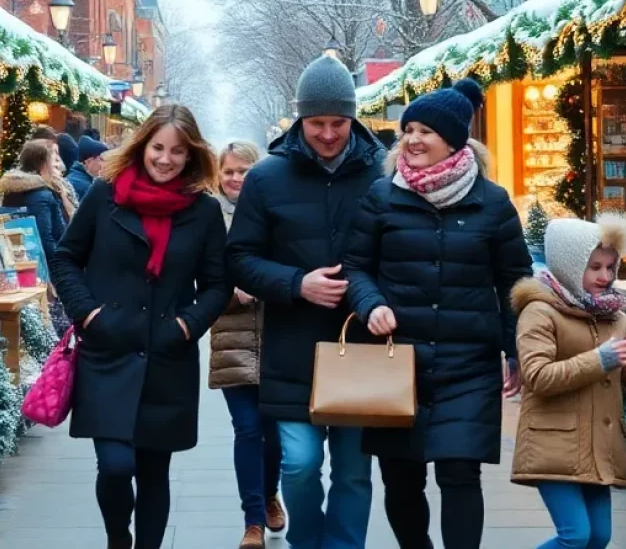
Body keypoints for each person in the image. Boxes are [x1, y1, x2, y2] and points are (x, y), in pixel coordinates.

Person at [343, 79, 533, 549]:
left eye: (425, 130)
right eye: (407, 129)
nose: (411, 139)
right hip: (395, 362)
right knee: (401, 476)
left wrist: (517, 350)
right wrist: (371, 303)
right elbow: (356, 267)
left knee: (459, 471)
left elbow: (515, 280)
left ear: (453, 139)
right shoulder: (382, 196)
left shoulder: (492, 203)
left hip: (468, 362)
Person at [53, 104, 228, 549]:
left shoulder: (204, 212)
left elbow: (216, 284)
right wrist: (89, 314)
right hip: (107, 351)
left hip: (167, 357)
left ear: (192, 156)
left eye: (178, 151)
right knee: (114, 465)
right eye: (158, 148)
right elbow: (67, 257)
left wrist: (187, 326)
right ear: (142, 145)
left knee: (154, 471)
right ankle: (118, 539)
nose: (166, 159)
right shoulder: (103, 194)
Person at [227, 55, 384, 549]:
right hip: (292, 348)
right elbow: (241, 258)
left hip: (361, 347)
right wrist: (298, 283)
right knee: (299, 463)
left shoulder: (381, 173)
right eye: (317, 123)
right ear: (300, 119)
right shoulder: (267, 177)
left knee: (355, 471)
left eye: (339, 122)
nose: (330, 133)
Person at [511, 214, 626, 549]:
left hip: (600, 447)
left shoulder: (615, 317)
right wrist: (600, 359)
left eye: (610, 267)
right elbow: (537, 376)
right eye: (595, 267)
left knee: (598, 538)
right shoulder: (540, 311)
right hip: (554, 443)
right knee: (576, 537)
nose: (605, 276)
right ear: (571, 266)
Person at [209, 140, 285, 549]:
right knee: (248, 428)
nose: (236, 178)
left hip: (279, 337)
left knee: (273, 434)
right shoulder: (207, 216)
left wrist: (267, 284)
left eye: (244, 171)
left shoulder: (275, 209)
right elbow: (197, 279)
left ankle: (270, 492)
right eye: (229, 171)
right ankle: (252, 519)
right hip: (232, 339)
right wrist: (229, 293)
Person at [0, 139, 68, 278]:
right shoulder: (42, 194)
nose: (57, 165)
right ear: (43, 164)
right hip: (42, 268)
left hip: (16, 262)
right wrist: (63, 266)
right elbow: (45, 236)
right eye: (52, 160)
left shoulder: (11, 191)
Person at [68, 135, 108, 203]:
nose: (104, 164)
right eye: (101, 159)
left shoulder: (81, 178)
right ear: (89, 160)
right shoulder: (83, 186)